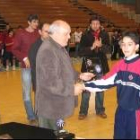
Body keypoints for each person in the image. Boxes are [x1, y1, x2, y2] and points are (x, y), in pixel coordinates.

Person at [78, 31, 140, 139]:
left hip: (135, 114)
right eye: (123, 44)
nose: (125, 47)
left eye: (130, 44)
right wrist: (84, 86)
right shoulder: (120, 65)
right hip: (120, 111)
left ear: (137, 46)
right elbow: (106, 81)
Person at [35, 20, 82, 130]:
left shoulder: (58, 47)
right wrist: (72, 90)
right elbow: (51, 83)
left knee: (60, 131)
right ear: (55, 34)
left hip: (58, 107)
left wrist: (79, 76)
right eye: (66, 34)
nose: (69, 37)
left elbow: (65, 69)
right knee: (52, 134)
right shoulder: (48, 51)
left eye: (69, 33)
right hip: (51, 109)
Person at [78, 16, 110, 120]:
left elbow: (109, 50)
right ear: (90, 24)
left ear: (100, 24)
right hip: (88, 65)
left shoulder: (104, 35)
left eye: (97, 23)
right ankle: (83, 112)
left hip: (101, 65)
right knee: (86, 90)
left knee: (100, 89)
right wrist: (92, 47)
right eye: (93, 23)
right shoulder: (85, 35)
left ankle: (100, 110)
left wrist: (101, 46)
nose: (95, 25)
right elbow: (80, 51)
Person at [12, 14, 39, 125]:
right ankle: (31, 116)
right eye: (34, 22)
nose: (36, 24)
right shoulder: (20, 34)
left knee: (38, 92)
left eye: (37, 22)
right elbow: (14, 49)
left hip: (38, 68)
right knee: (27, 93)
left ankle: (38, 114)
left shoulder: (38, 33)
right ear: (28, 22)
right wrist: (24, 57)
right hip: (26, 68)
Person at [28, 23, 50, 92]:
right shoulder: (35, 47)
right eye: (46, 31)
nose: (49, 33)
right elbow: (34, 66)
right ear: (40, 32)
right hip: (40, 82)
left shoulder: (54, 44)